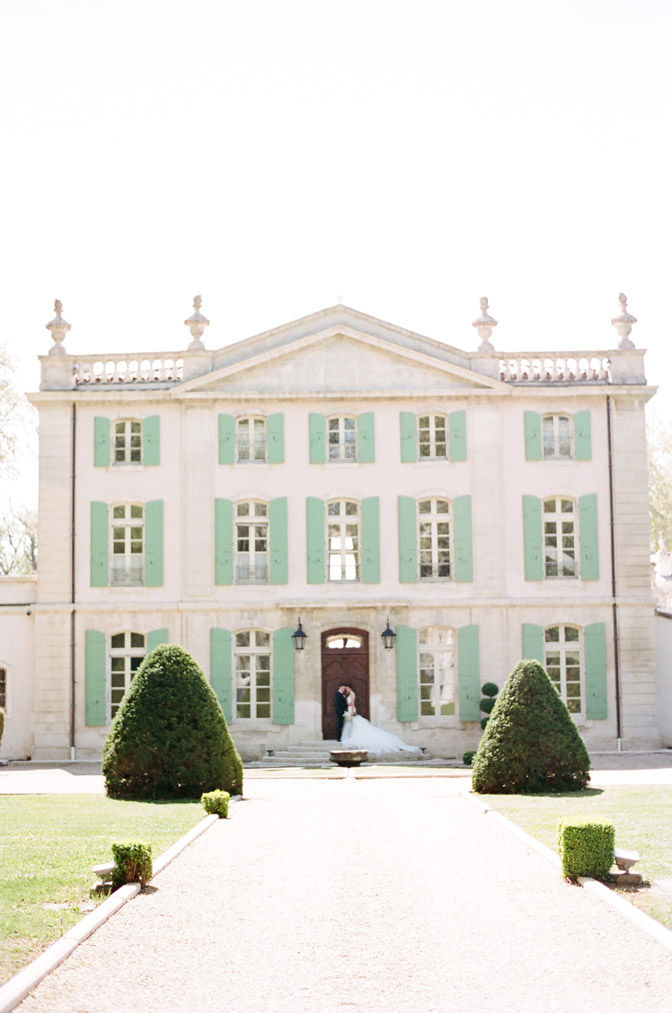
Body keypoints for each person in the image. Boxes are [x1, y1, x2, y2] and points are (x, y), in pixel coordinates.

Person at [340, 685, 422, 756]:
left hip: (352, 709)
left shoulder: (351, 694)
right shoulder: (349, 694)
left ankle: (355, 737)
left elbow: (353, 703)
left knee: (356, 725)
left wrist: (351, 712)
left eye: (347, 688)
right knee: (353, 725)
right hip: (350, 709)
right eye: (346, 689)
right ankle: (352, 736)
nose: (346, 690)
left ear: (350, 688)